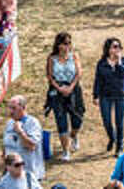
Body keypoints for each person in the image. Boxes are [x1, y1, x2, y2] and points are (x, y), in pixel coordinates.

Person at [43, 32, 82, 162]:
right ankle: (65, 150)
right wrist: (59, 88)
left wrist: (71, 87)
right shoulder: (52, 58)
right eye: (65, 43)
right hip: (57, 91)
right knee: (61, 120)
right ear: (59, 45)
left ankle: (74, 135)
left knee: (77, 118)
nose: (68, 46)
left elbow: (78, 73)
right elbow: (49, 76)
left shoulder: (74, 56)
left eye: (69, 43)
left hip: (73, 89)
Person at [93, 37, 124, 154]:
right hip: (105, 95)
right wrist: (95, 95)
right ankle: (111, 138)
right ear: (108, 49)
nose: (117, 49)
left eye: (119, 47)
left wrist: (118, 62)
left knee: (119, 122)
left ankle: (119, 145)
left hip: (120, 95)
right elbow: (98, 80)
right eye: (114, 47)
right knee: (107, 121)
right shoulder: (102, 63)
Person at [4, 95, 45, 180]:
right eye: (9, 108)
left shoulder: (32, 123)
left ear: (23, 107)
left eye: (14, 108)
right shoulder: (9, 123)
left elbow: (31, 146)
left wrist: (20, 132)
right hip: (12, 174)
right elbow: (6, 145)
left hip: (29, 174)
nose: (10, 111)